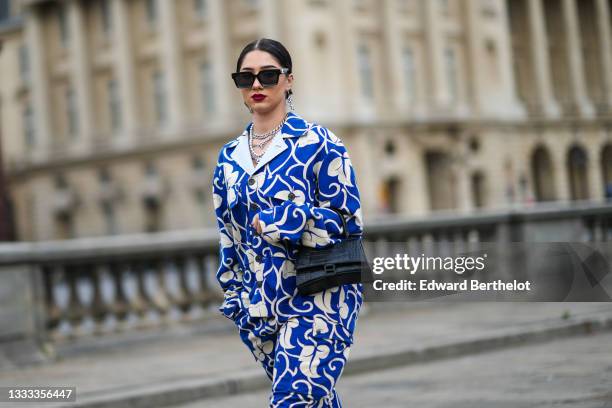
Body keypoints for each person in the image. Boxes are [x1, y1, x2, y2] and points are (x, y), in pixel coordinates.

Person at [211, 38, 364, 407]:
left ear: (289, 80)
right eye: (246, 78)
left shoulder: (320, 143)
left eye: (267, 74)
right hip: (261, 308)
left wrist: (287, 220)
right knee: (317, 402)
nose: (257, 85)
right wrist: (235, 298)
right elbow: (228, 238)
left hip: (320, 295)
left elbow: (348, 222)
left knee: (293, 401)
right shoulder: (228, 159)